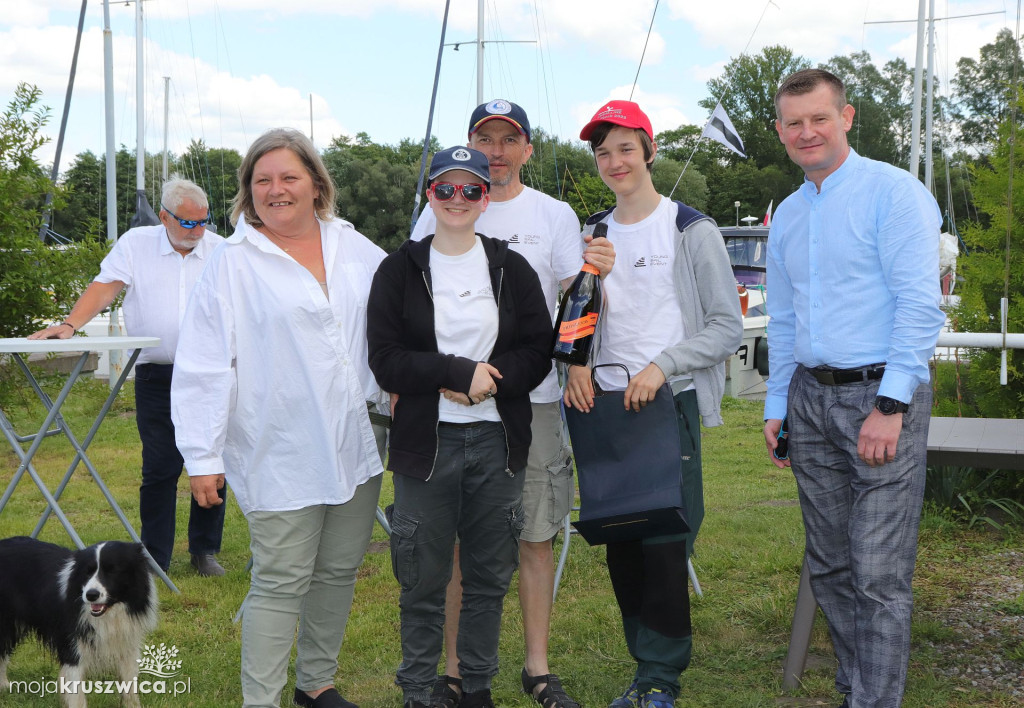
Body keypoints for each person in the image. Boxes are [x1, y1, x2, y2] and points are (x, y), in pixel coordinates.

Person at [171, 128, 387, 708]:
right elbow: (204, 365)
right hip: (280, 445)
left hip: (355, 439)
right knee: (281, 579)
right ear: (248, 193)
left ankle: (315, 684)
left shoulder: (353, 246)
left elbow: (399, 313)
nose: (276, 189)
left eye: (289, 176)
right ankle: (259, 701)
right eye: (262, 180)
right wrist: (203, 456)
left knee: (339, 570)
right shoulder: (233, 263)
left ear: (316, 184)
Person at [410, 99, 613, 708]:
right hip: (448, 406)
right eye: (485, 138)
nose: (496, 151)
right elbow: (411, 304)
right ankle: (451, 672)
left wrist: (577, 361)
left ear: (527, 148)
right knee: (451, 543)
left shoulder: (552, 214)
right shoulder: (438, 207)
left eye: (508, 139)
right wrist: (441, 375)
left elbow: (573, 304)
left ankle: (537, 669)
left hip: (532, 402)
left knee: (533, 534)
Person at [763, 69, 945, 708]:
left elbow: (921, 306)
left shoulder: (893, 194)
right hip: (809, 401)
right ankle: (855, 688)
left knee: (878, 574)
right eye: (793, 122)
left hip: (880, 398)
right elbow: (783, 320)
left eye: (819, 117)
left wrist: (891, 406)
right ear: (781, 131)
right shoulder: (786, 214)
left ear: (847, 116)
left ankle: (875, 701)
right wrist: (776, 404)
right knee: (833, 566)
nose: (806, 132)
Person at [565, 100, 742, 708]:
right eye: (602, 151)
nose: (613, 161)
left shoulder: (691, 228)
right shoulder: (593, 231)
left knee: (666, 542)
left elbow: (725, 328)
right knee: (622, 541)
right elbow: (574, 320)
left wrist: (661, 366)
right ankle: (646, 669)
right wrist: (576, 365)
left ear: (650, 151)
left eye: (624, 148)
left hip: (669, 406)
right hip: (604, 409)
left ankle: (661, 676)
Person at [368, 146, 553, 708]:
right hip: (428, 444)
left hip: (497, 440)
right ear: (430, 194)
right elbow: (386, 357)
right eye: (445, 189)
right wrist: (454, 372)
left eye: (470, 189)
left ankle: (475, 687)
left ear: (485, 197)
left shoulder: (509, 267)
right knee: (422, 578)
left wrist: (489, 381)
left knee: (488, 576)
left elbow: (537, 349)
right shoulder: (399, 267)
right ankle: (420, 691)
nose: (457, 199)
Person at [28, 177, 227, 577]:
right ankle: (155, 556)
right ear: (165, 216)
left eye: (203, 221)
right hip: (156, 374)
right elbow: (105, 288)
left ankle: (205, 551)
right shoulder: (136, 244)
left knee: (212, 463)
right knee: (159, 467)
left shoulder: (222, 250)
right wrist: (70, 324)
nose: (198, 231)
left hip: (210, 375)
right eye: (188, 223)